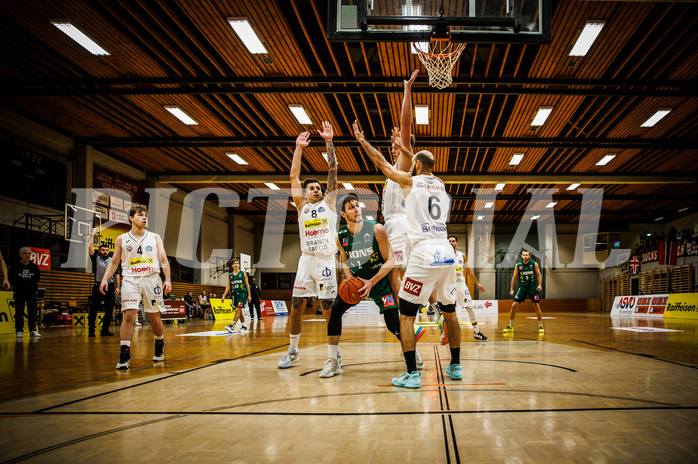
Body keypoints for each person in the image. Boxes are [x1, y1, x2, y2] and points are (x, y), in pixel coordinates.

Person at [354, 121, 460, 389]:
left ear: (416, 166)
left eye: (413, 163)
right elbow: (423, 164)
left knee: (406, 316)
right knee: (451, 312)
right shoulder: (441, 184)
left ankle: (412, 375)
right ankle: (456, 365)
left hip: (424, 251)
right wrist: (408, 151)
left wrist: (362, 141)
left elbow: (382, 164)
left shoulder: (409, 181)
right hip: (447, 251)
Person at [321, 193, 412, 378]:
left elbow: (390, 260)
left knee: (393, 323)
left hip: (378, 282)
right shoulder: (341, 237)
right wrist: (350, 281)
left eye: (357, 205)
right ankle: (333, 360)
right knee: (335, 310)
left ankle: (411, 351)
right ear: (343, 214)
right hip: (358, 284)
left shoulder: (377, 229)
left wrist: (371, 282)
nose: (356, 209)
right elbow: (345, 262)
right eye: (351, 207)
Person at [278, 122, 339, 369]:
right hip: (306, 259)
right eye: (312, 188)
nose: (317, 189)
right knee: (296, 307)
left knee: (327, 310)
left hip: (325, 261)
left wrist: (329, 142)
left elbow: (333, 170)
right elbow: (293, 176)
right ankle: (293, 350)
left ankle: (334, 355)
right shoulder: (302, 207)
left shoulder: (330, 204)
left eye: (318, 188)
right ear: (304, 193)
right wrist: (298, 148)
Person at [100, 204, 171, 370]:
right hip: (130, 279)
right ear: (131, 218)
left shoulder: (155, 237)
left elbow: (164, 261)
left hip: (152, 279)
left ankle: (159, 342)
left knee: (154, 319)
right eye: (140, 215)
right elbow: (114, 262)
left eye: (146, 215)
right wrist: (105, 279)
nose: (144, 217)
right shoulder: (121, 239)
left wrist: (167, 279)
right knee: (129, 316)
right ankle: (124, 354)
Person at [444, 234, 488, 342]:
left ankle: (477, 332)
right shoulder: (444, 256)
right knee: (450, 311)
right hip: (449, 285)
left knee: (470, 308)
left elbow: (468, 270)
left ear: (456, 243)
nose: (451, 243)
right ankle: (448, 333)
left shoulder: (461, 255)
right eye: (449, 241)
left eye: (453, 241)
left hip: (461, 284)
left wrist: (477, 283)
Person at [87, 228, 120, 337]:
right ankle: (91, 330)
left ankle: (104, 330)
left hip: (110, 286)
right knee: (94, 309)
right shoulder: (95, 258)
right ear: (99, 251)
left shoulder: (112, 260)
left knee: (109, 309)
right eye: (103, 250)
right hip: (98, 286)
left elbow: (116, 274)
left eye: (106, 250)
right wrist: (92, 234)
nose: (105, 251)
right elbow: (89, 247)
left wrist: (118, 287)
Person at [503, 249, 544, 334]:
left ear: (529, 256)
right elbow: (514, 277)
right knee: (514, 305)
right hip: (522, 288)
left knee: (536, 306)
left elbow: (539, 274)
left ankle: (540, 326)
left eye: (526, 255)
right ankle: (510, 326)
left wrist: (539, 285)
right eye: (523, 255)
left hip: (532, 288)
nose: (525, 256)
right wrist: (511, 289)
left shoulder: (534, 264)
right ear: (521, 256)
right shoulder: (518, 265)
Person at [9, 247, 41, 338]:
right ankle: (19, 330)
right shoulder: (15, 266)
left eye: (29, 253)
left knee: (32, 312)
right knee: (19, 312)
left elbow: (37, 278)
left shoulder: (34, 267)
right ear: (20, 255)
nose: (27, 255)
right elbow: (11, 278)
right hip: (19, 292)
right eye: (25, 253)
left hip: (32, 292)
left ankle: (33, 330)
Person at [222, 257, 250, 332]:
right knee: (239, 311)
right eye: (234, 263)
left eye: (237, 263)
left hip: (242, 294)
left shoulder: (243, 273)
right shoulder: (230, 275)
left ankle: (232, 325)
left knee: (238, 310)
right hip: (234, 294)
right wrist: (224, 295)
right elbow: (228, 286)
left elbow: (247, 285)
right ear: (232, 265)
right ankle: (244, 326)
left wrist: (249, 295)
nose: (236, 265)